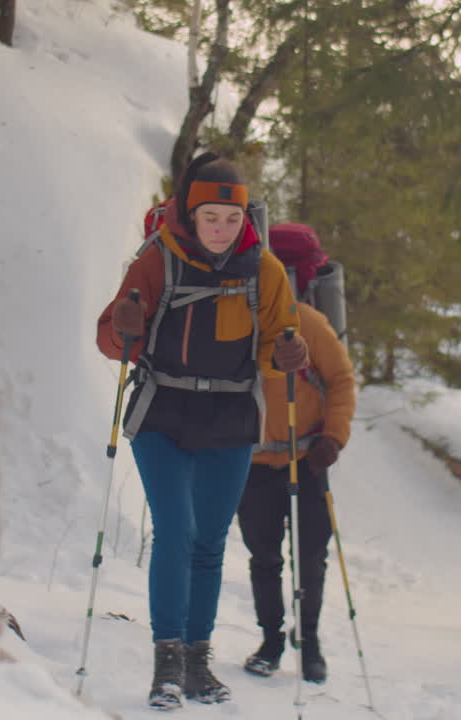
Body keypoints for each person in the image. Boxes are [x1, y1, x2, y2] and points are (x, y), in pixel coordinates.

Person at [96, 152, 309, 710]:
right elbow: (113, 336)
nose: (220, 229)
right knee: (177, 528)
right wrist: (124, 330)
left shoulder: (263, 270)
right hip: (163, 411)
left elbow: (278, 341)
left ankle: (197, 660)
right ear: (190, 214)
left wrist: (291, 352)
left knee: (209, 543)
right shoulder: (158, 259)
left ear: (246, 219)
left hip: (232, 418)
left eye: (231, 219)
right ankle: (166, 662)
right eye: (210, 217)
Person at [236, 223, 356, 684]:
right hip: (252, 464)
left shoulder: (308, 321)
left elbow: (342, 380)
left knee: (311, 557)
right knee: (264, 557)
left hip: (309, 460)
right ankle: (271, 639)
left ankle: (310, 641)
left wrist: (333, 437)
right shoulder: (238, 321)